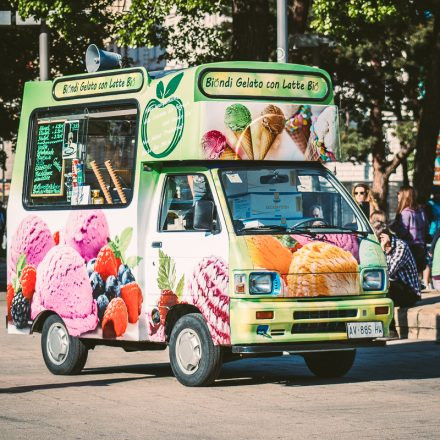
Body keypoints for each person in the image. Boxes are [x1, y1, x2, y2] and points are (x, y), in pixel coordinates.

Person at [372, 221, 420, 307]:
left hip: (410, 293)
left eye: (377, 240)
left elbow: (387, 272)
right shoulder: (381, 246)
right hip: (396, 286)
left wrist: (382, 250)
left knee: (382, 284)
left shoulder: (401, 247)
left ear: (384, 237)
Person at [391, 185, 428, 274]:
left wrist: (392, 227)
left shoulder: (405, 213)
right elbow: (426, 228)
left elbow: (402, 232)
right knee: (416, 276)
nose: (397, 196)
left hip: (409, 248)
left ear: (404, 195)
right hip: (421, 247)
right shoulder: (421, 211)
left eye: (398, 194)